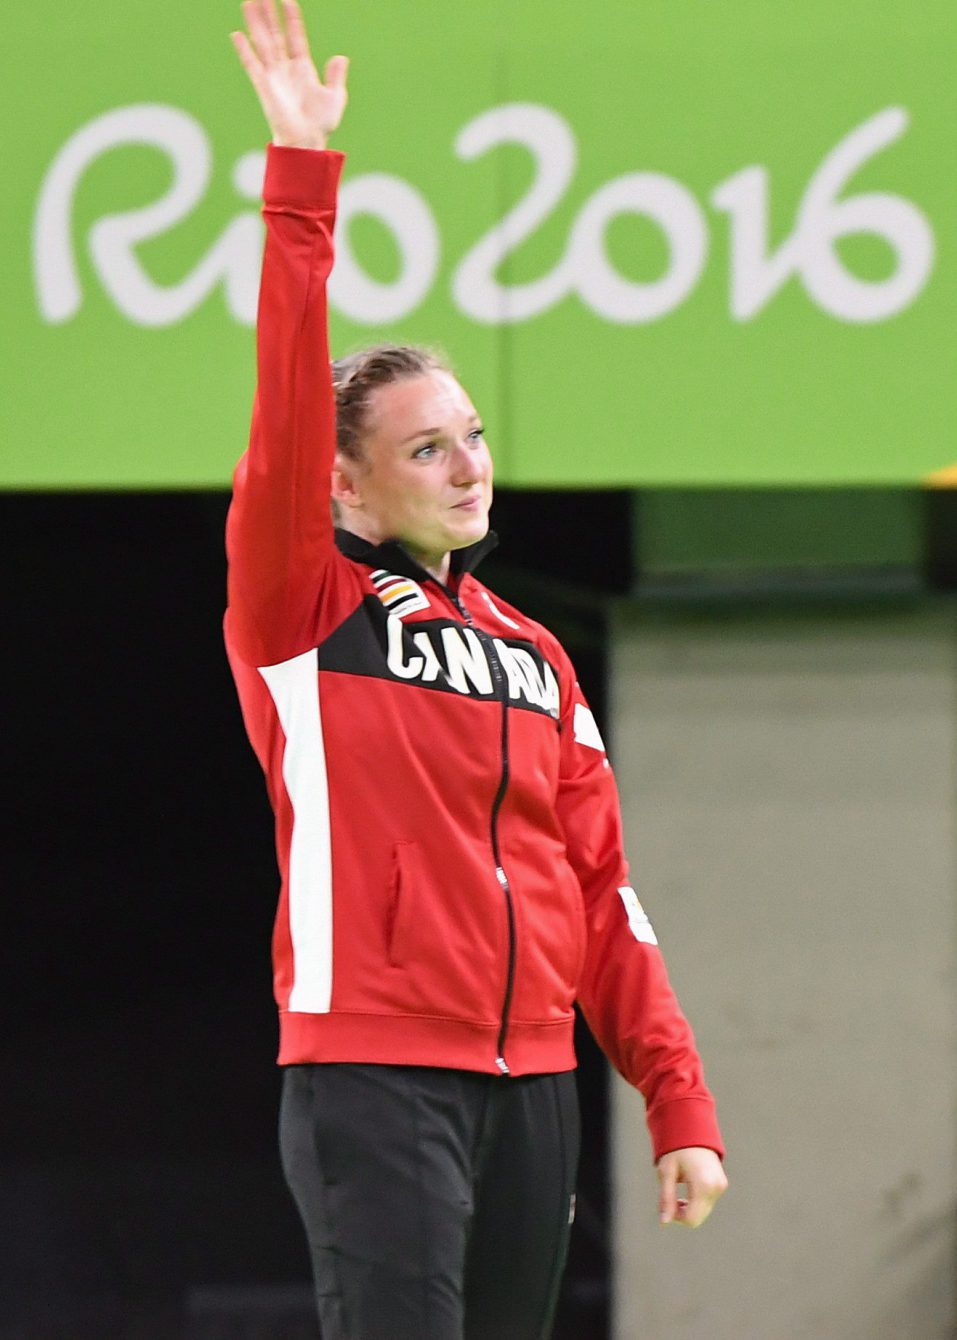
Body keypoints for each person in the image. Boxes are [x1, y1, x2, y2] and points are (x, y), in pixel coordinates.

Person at [225, 3, 727, 1337]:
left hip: (535, 1086)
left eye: (474, 435)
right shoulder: (300, 609)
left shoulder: (535, 656)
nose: (470, 465)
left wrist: (676, 1100)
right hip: (374, 1075)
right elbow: (281, 397)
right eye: (427, 448)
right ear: (344, 482)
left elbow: (604, 892)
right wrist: (300, 185)